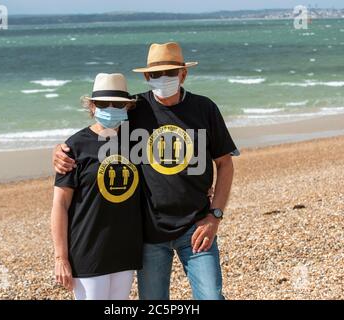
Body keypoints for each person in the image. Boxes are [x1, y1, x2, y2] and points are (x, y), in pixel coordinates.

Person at [53, 42, 239, 300]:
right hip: (148, 234)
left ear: (183, 74)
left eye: (170, 73)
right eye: (155, 74)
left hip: (196, 227)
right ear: (146, 77)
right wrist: (61, 150)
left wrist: (214, 216)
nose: (163, 79)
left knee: (211, 297)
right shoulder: (133, 109)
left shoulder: (205, 109)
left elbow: (225, 163)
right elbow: (97, 133)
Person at [51, 73, 142, 300]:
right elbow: (60, 205)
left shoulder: (137, 141)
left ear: (128, 107)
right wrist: (60, 258)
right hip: (87, 252)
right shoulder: (74, 147)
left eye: (118, 104)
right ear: (92, 107)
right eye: (103, 103)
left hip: (125, 250)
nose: (110, 108)